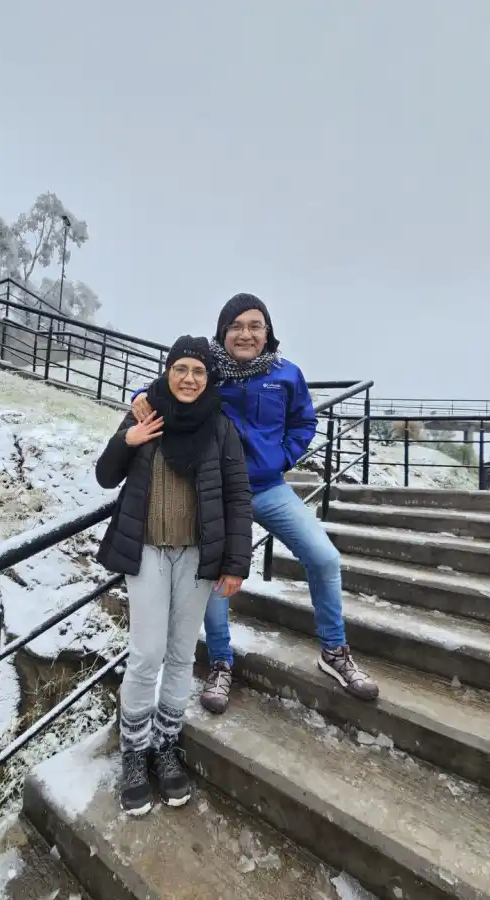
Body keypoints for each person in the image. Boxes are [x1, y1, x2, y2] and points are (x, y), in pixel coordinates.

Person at [132, 294, 379, 715]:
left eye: (255, 325)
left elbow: (304, 421)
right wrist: (140, 394)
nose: (245, 333)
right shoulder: (208, 370)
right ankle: (221, 661)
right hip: (216, 492)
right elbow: (172, 387)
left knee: (324, 558)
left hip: (268, 488)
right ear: (223, 332)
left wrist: (283, 457)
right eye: (236, 326)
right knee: (214, 576)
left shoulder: (287, 374)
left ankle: (334, 651)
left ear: (267, 332)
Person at [95, 335, 252, 816]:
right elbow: (105, 475)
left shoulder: (221, 427)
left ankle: (166, 745)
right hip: (145, 554)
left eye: (198, 371)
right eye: (181, 368)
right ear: (167, 371)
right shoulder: (145, 415)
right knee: (147, 654)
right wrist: (128, 440)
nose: (188, 378)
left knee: (183, 654)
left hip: (196, 558)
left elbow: (237, 496)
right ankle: (135, 753)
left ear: (209, 378)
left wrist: (236, 564)